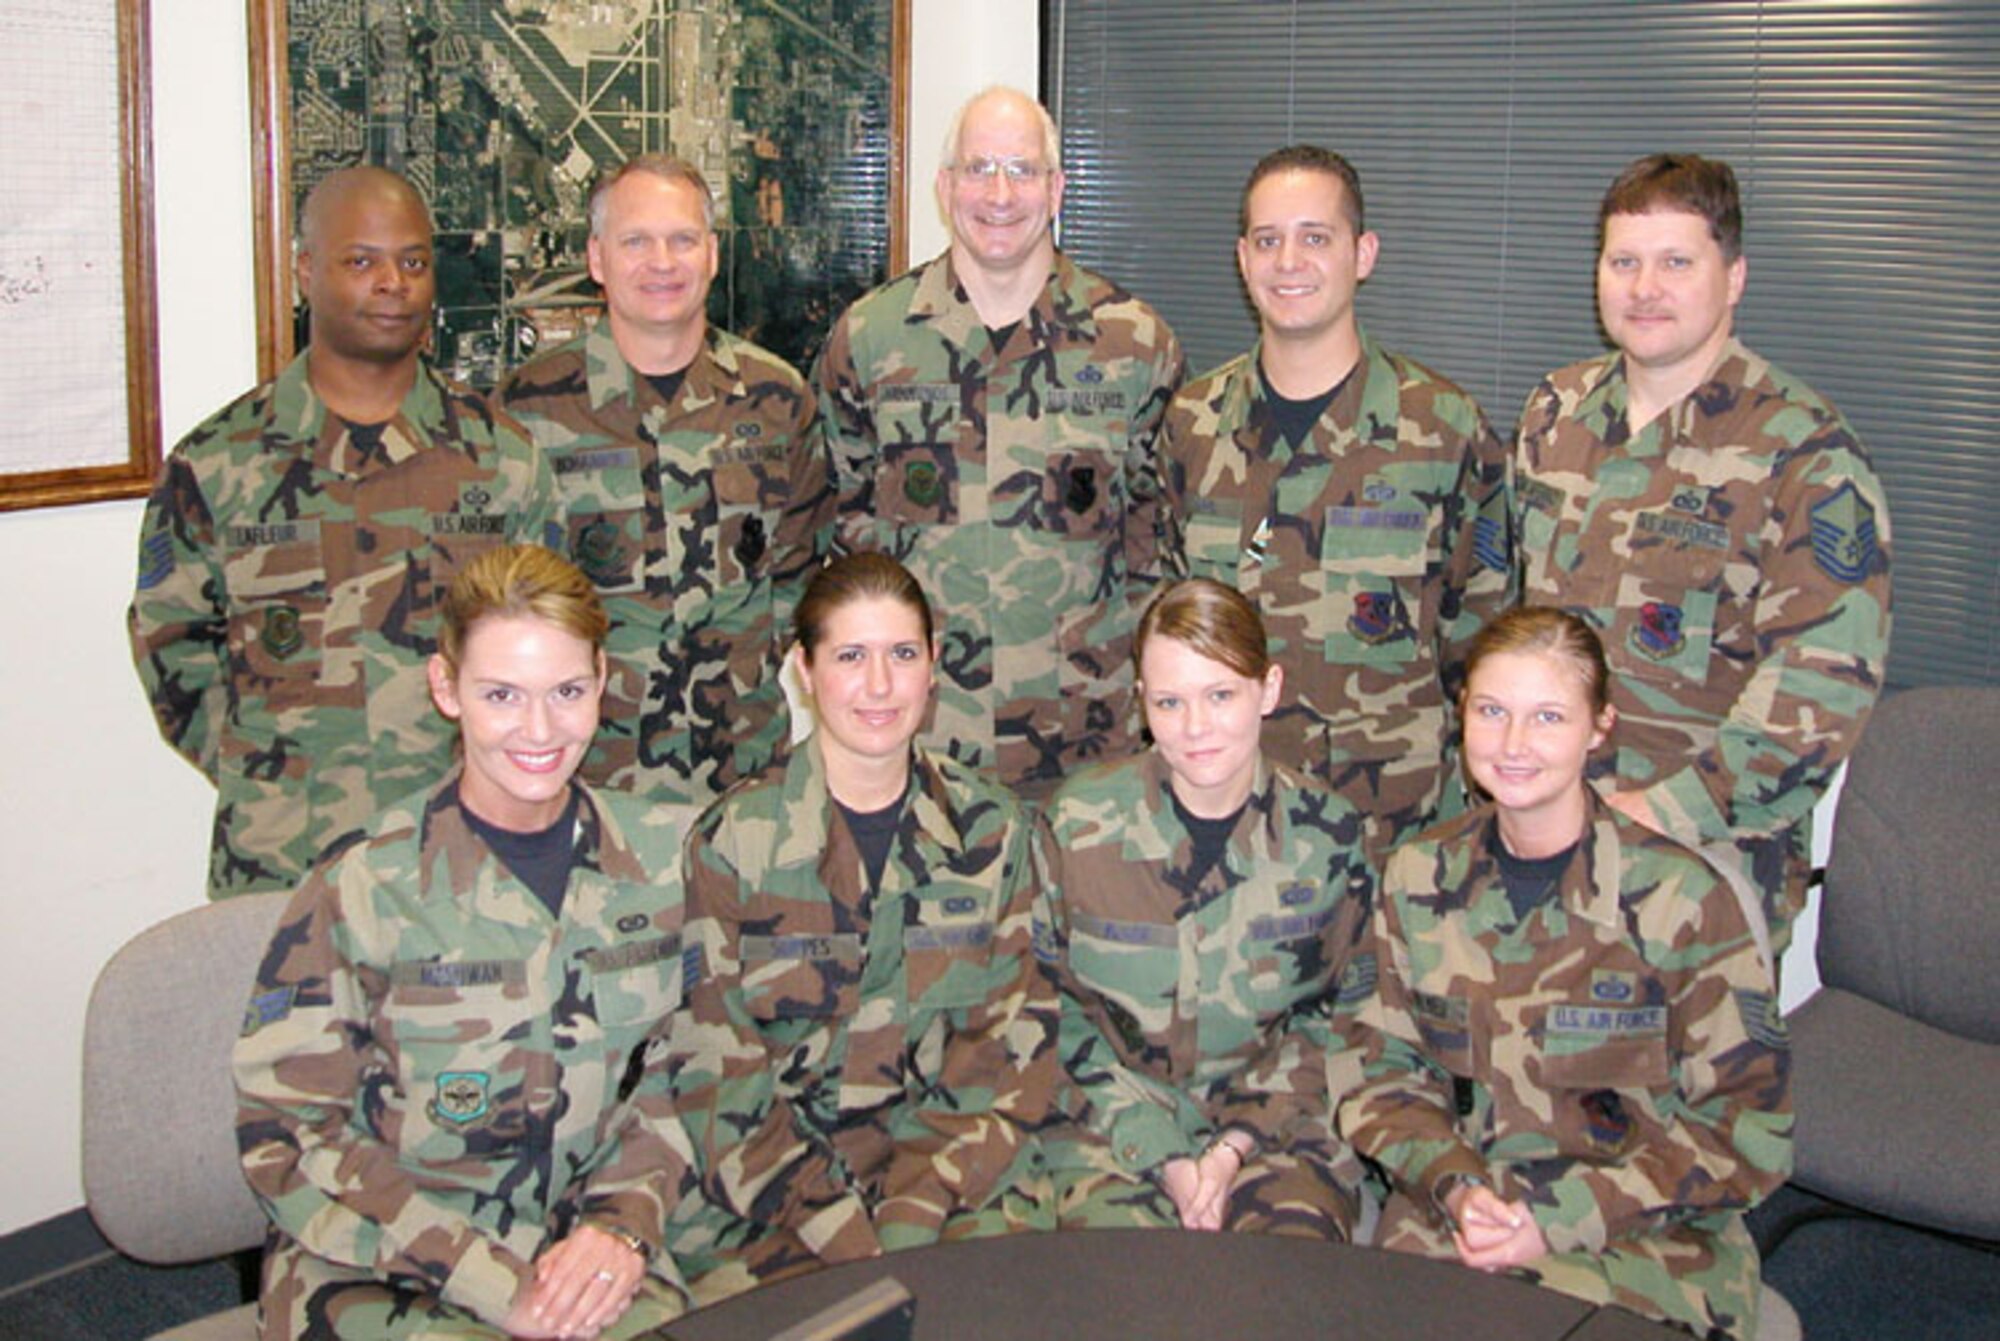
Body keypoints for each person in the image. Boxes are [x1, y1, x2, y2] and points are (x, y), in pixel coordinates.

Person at [233, 545, 698, 1339]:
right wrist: (491, 1282)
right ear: (446, 688)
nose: (541, 729)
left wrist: (623, 1221)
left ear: (600, 682)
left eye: (568, 692)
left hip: (589, 1249)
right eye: (502, 694)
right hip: (384, 1263)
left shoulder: (672, 863)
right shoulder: (363, 887)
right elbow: (293, 1130)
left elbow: (698, 1067)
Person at [1334, 607, 1791, 1341]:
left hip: (1640, 1242)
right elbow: (1378, 1072)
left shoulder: (1684, 901)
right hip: (1460, 1224)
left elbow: (1750, 1130)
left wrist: (1555, 1220)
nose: (1514, 744)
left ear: (1599, 726)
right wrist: (1456, 1184)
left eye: (1548, 716)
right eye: (1491, 711)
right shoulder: (1418, 877)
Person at [129, 166, 556, 899]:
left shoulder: (502, 459)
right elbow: (172, 648)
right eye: (361, 261)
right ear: (304, 271)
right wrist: (276, 768)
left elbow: (546, 654)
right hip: (282, 868)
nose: (392, 282)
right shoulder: (220, 464)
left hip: (464, 861)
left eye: (413, 262)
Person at [1515, 152, 1891, 963]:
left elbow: (1822, 686)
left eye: (1676, 261)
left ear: (1735, 276)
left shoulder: (1805, 452)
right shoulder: (1555, 412)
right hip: (1540, 839)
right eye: (1624, 261)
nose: (1644, 287)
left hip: (1696, 871)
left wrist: (1663, 813)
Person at [666, 552, 1055, 1295]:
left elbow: (1006, 1051)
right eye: (850, 655)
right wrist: (843, 1231)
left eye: (902, 653)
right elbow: (717, 1074)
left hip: (951, 1182)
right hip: (773, 1200)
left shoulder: (993, 832)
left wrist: (909, 1217)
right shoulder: (734, 844)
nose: (879, 685)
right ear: (804, 671)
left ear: (934, 664)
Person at [814, 85, 1186, 799]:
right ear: (945, 185)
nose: (999, 193)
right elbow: (837, 542)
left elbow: (1161, 544)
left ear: (1056, 187)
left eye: (1022, 170)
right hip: (915, 745)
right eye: (979, 168)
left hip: (1088, 750)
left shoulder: (1135, 344)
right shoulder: (870, 340)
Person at [1162, 145, 1512, 865]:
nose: (1289, 260)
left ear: (1364, 253)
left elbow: (1483, 646)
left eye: (1315, 237)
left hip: (1392, 836)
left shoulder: (1442, 429)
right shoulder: (1191, 425)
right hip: (1226, 828)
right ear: (1242, 258)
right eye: (1268, 239)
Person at [1032, 578, 1374, 1240]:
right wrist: (1161, 1150)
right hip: (1111, 1132)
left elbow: (1344, 1014)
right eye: (1169, 700)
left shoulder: (1327, 835)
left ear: (1268, 689)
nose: (1195, 727)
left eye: (1221, 694)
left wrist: (1234, 1144)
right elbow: (1043, 1007)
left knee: (1286, 1291)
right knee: (1123, 1293)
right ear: (1141, 702)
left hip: (1280, 1130)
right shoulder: (1078, 825)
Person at [500, 155, 830, 804]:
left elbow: (799, 572)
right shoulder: (527, 412)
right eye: (635, 241)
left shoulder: (776, 399)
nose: (662, 261)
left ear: (711, 255)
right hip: (585, 781)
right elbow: (500, 605)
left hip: (747, 778)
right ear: (597, 259)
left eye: (683, 239)